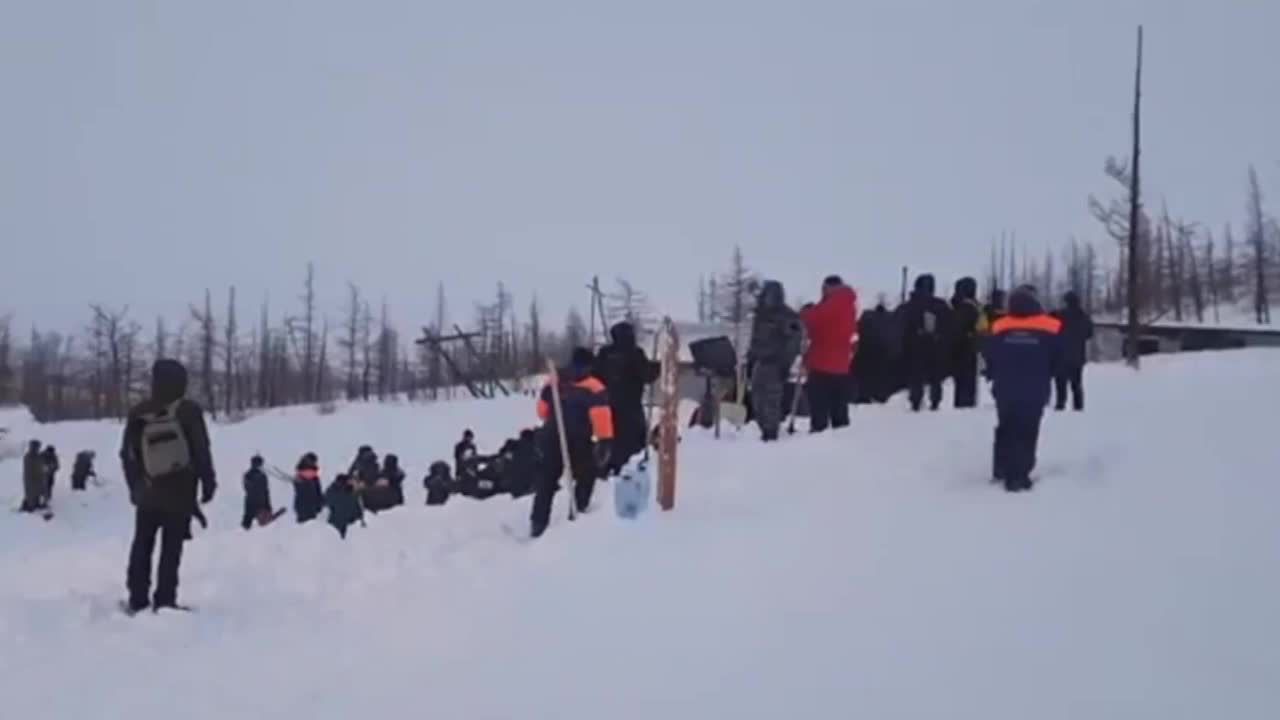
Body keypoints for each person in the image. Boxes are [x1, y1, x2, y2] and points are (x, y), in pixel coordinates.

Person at [120, 359, 217, 613]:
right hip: (180, 491)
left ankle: (137, 597)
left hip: (148, 490)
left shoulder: (139, 412)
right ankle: (165, 600)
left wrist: (135, 486)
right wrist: (208, 482)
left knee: (142, 544)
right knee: (171, 548)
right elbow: (201, 450)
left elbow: (128, 454)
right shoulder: (188, 411)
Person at [983, 286, 1062, 492]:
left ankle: (1001, 468)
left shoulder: (999, 326)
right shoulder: (1050, 326)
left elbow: (988, 354)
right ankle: (1019, 474)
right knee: (1027, 430)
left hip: (1005, 388)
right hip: (1035, 388)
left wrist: (994, 372)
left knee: (1006, 426)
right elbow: (1058, 357)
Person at [529, 348, 614, 538]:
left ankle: (538, 522)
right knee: (586, 475)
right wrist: (604, 440)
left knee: (547, 480)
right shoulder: (594, 387)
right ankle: (577, 515)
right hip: (579, 439)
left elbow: (542, 412)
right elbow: (600, 417)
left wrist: (551, 401)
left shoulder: (555, 381)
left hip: (552, 436)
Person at [592, 322, 660, 468]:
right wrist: (658, 367)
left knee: (612, 441)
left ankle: (610, 467)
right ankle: (629, 469)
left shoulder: (605, 353)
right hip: (632, 408)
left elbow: (595, 376)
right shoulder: (635, 353)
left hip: (608, 407)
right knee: (633, 442)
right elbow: (648, 375)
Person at [799, 275, 858, 432]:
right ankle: (842, 436)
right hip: (842, 365)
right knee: (839, 408)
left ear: (828, 288)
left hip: (821, 364)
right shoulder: (850, 306)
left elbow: (813, 320)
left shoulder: (830, 305)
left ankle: (819, 436)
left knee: (819, 408)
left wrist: (805, 312)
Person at [747, 281, 803, 441]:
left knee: (771, 398)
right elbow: (755, 339)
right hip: (760, 361)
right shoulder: (761, 315)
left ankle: (770, 431)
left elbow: (794, 342)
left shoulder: (787, 316)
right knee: (757, 397)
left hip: (775, 363)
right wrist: (750, 359)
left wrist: (785, 363)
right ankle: (763, 425)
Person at [902, 274, 953, 412]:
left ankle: (916, 401)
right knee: (935, 375)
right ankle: (935, 401)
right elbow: (949, 325)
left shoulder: (910, 305)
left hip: (915, 346)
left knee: (916, 374)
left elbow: (902, 326)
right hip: (935, 345)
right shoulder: (940, 305)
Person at [1052, 291, 1094, 411]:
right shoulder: (1084, 316)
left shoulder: (1059, 315)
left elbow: (1051, 330)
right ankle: (1078, 406)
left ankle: (1060, 405)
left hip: (1061, 355)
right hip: (1077, 356)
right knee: (1076, 384)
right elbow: (1089, 334)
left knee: (1061, 383)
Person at [950, 277, 984, 409]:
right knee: (968, 381)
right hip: (970, 347)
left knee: (962, 381)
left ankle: (963, 404)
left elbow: (957, 329)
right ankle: (967, 403)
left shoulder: (963, 307)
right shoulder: (974, 306)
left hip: (962, 348)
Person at [324, 474, 363, 539]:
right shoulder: (337, 491)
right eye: (351, 481)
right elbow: (326, 502)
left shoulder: (353, 494)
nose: (354, 483)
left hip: (347, 528)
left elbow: (357, 510)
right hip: (336, 526)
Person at [241, 455, 271, 530]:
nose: (260, 465)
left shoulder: (262, 475)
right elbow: (247, 488)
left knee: (252, 518)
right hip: (252, 501)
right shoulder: (248, 475)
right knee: (248, 519)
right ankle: (244, 531)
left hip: (260, 500)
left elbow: (266, 491)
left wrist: (268, 506)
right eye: (259, 463)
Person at [293, 452, 324, 523]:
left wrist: (319, 503)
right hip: (305, 507)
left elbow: (318, 491)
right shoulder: (301, 475)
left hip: (310, 507)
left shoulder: (314, 476)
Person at [21, 440, 45, 513]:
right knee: (30, 493)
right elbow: (29, 469)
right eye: (36, 447)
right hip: (30, 478)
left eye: (38, 447)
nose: (38, 448)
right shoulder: (29, 456)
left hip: (38, 478)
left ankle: (36, 504)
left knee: (38, 492)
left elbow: (40, 466)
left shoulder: (38, 456)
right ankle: (29, 507)